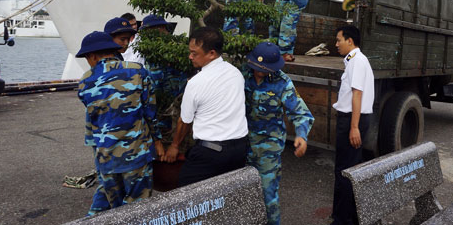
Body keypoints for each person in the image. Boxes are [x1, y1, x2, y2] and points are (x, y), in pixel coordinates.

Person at [75, 31, 163, 216]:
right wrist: (158, 141)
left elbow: (94, 118)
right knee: (139, 211)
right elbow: (150, 112)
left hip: (106, 159)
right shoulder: (137, 70)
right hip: (136, 155)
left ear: (92, 56)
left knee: (115, 212)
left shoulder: (85, 81)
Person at [162, 27, 248, 186]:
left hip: (210, 153)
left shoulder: (196, 82)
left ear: (212, 54)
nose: (190, 56)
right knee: (226, 197)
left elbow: (185, 121)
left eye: (194, 53)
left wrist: (174, 146)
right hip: (239, 150)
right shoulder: (236, 73)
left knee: (187, 198)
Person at [244, 42, 314, 225]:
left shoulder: (282, 83)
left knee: (268, 195)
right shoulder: (242, 75)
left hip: (269, 147)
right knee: (242, 195)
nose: (258, 72)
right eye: (255, 67)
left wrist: (301, 136)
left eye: (263, 69)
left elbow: (301, 114)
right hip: (242, 143)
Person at [331, 25, 375, 225]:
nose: (336, 44)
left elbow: (357, 94)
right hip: (353, 118)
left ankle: (342, 220)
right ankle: (351, 216)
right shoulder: (354, 60)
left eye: (339, 40)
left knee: (345, 170)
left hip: (352, 119)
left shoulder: (357, 61)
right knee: (350, 167)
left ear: (350, 41)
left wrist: (354, 127)